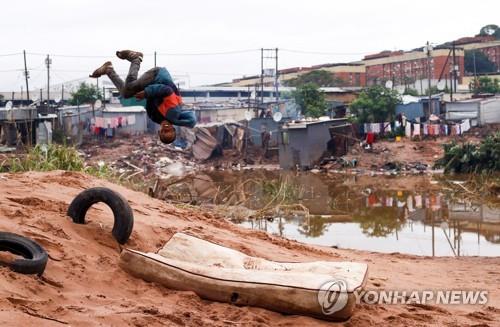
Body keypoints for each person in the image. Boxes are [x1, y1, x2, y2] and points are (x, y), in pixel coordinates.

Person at [89, 50, 196, 144]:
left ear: (160, 132)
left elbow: (150, 101)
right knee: (131, 86)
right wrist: (146, 92)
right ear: (174, 129)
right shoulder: (173, 113)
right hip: (158, 77)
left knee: (126, 93)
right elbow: (167, 90)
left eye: (164, 131)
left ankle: (109, 70)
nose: (166, 128)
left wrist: (144, 94)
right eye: (169, 130)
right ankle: (136, 58)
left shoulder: (154, 117)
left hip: (152, 86)